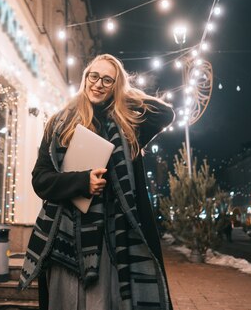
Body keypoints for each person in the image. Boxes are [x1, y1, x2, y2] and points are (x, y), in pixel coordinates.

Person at [19, 54, 175, 310]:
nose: (99, 83)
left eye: (107, 80)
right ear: (85, 77)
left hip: (110, 241)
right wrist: (82, 182)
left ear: (115, 86)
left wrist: (123, 93)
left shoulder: (127, 128)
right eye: (94, 76)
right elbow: (40, 180)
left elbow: (164, 113)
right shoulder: (58, 124)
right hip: (64, 241)